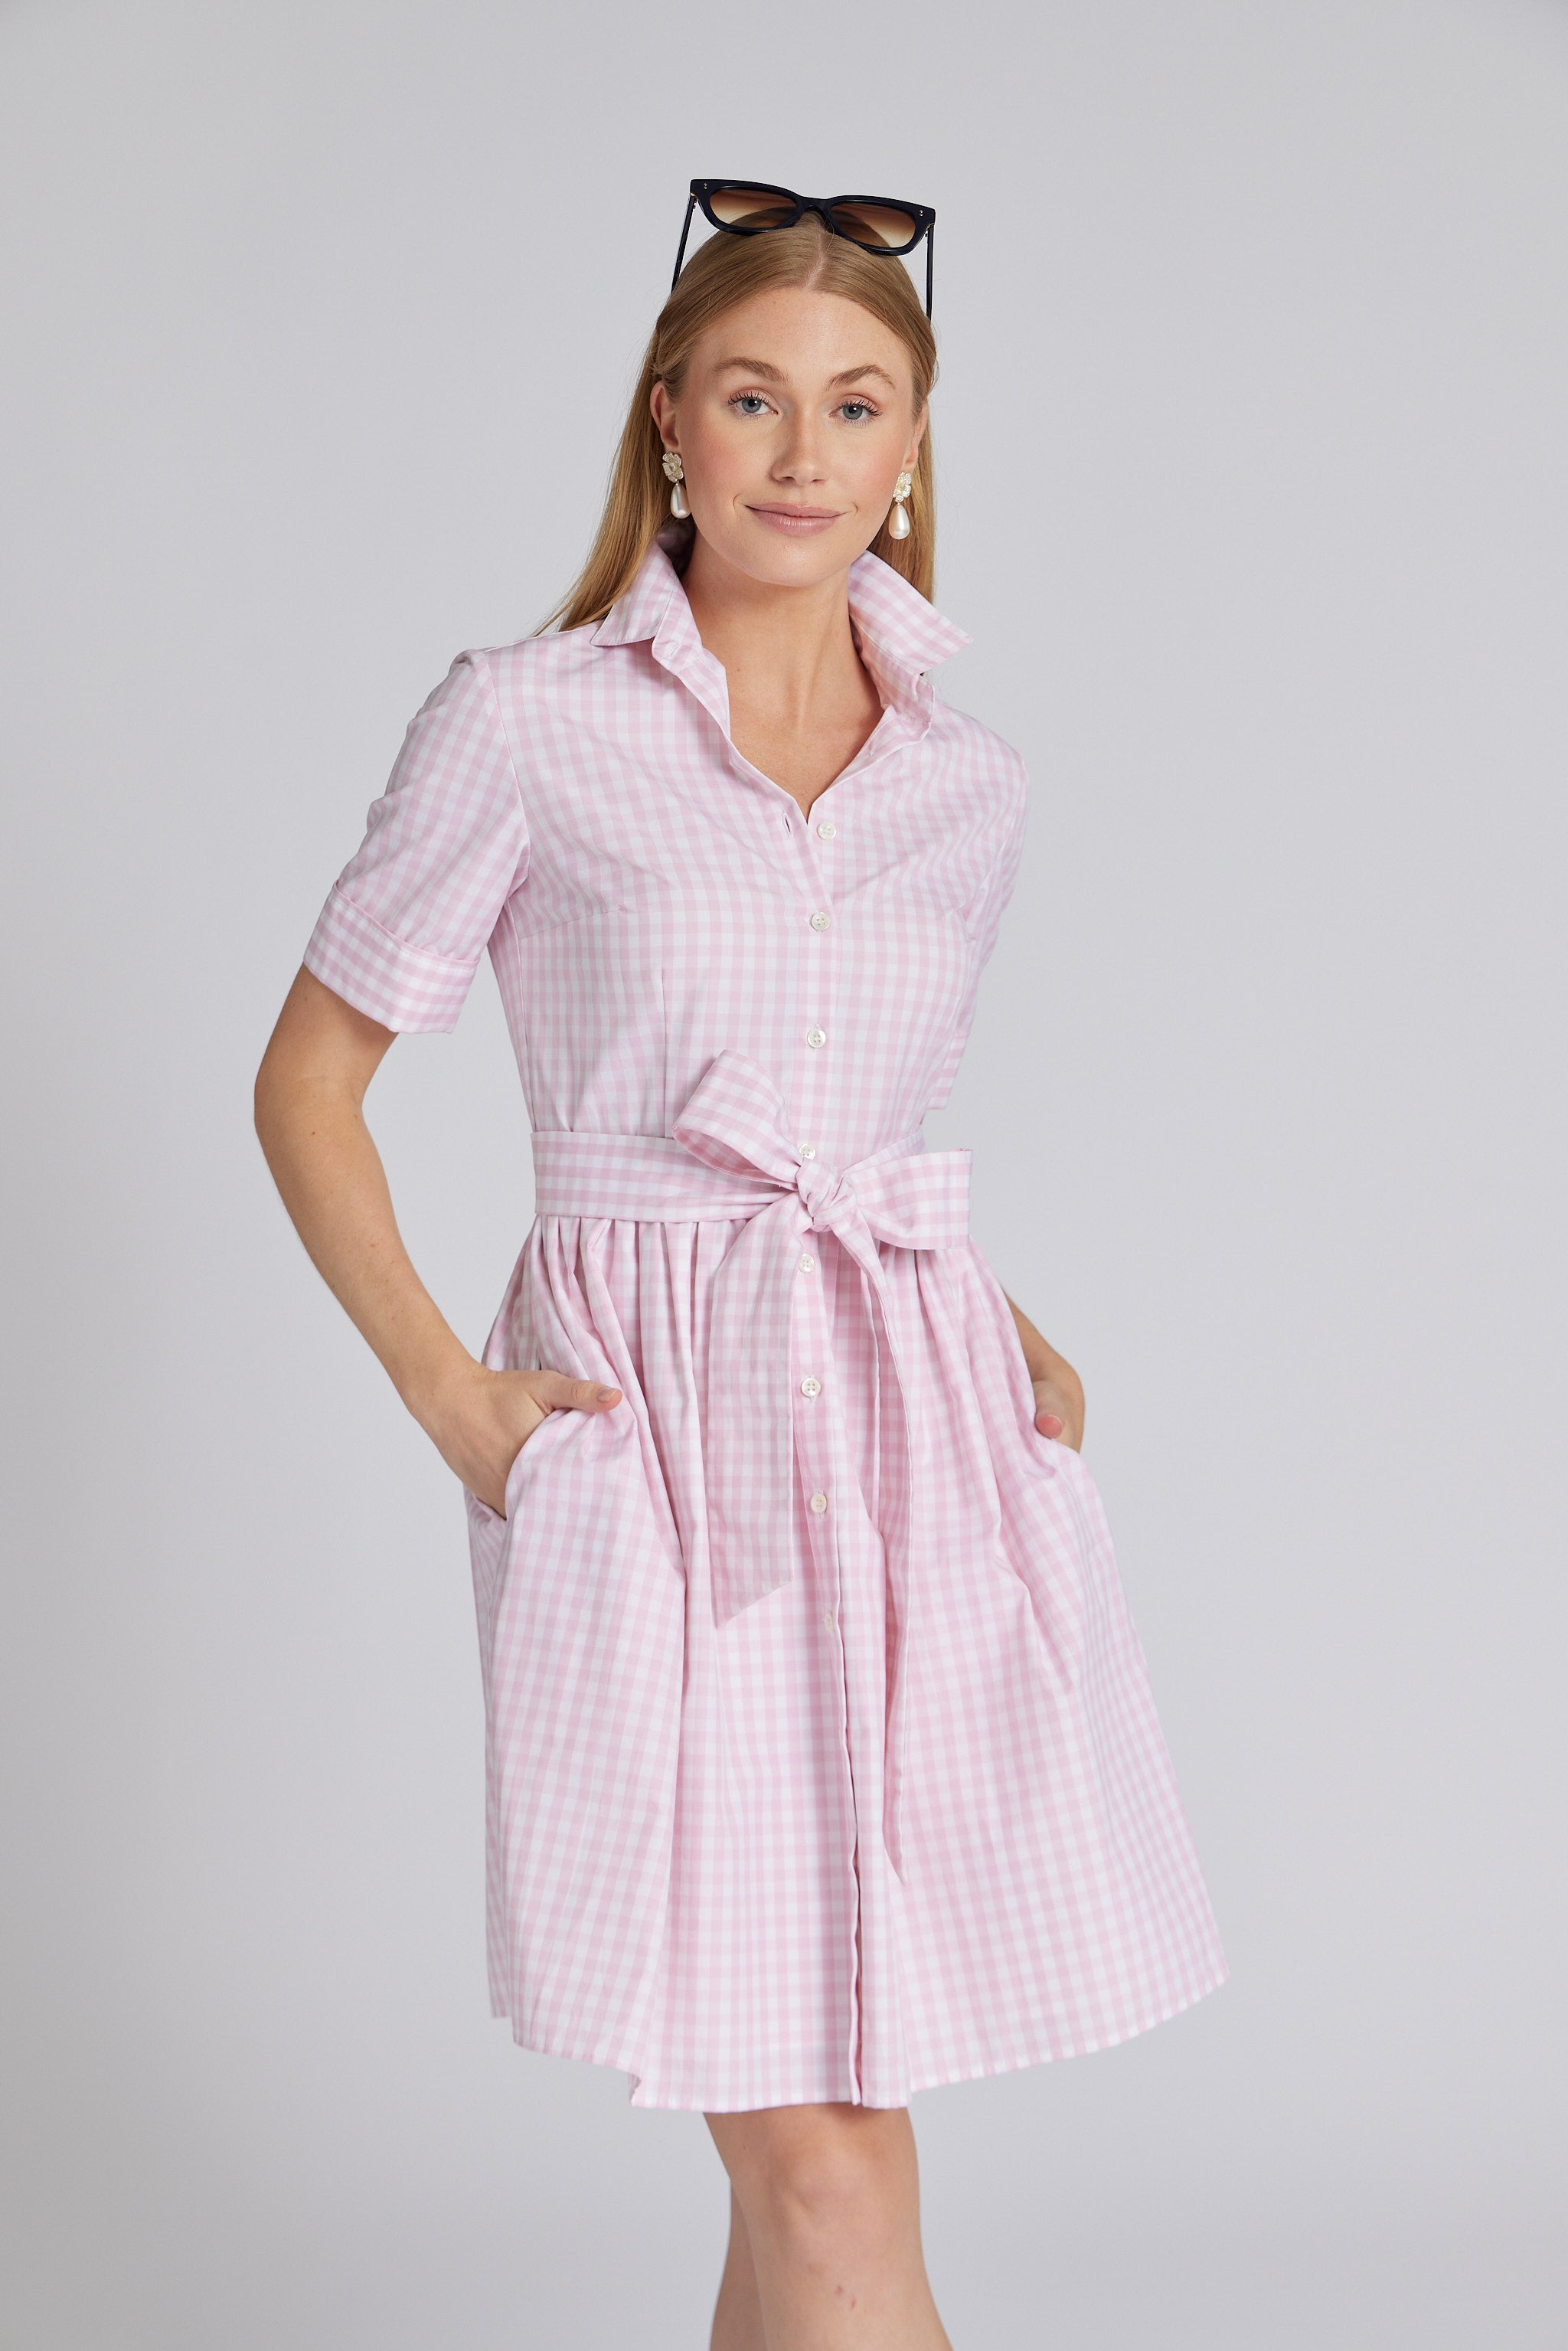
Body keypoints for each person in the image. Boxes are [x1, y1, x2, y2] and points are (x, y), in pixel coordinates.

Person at [254, 181, 1227, 2351]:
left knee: (824, 2139)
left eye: (858, 404)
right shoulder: (526, 721)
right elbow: (308, 1085)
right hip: (654, 1454)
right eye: (756, 396)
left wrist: (1004, 1323)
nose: (806, 450)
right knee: (821, 2164)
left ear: (914, 448)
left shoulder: (968, 785)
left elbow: (841, 1121)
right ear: (670, 421)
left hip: (911, 1448)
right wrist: (459, 1406)